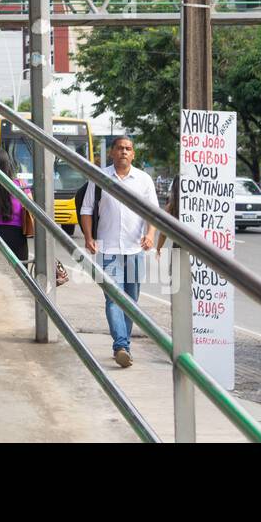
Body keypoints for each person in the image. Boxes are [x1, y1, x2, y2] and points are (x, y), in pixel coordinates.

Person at [79, 136, 159, 368]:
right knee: (113, 299)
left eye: (128, 149)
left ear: (133, 154)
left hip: (135, 249)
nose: (124, 152)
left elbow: (152, 212)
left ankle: (125, 346)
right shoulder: (100, 178)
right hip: (109, 249)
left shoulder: (143, 180)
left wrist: (151, 234)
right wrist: (88, 237)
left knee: (131, 301)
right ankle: (121, 346)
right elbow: (86, 209)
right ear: (112, 152)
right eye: (120, 148)